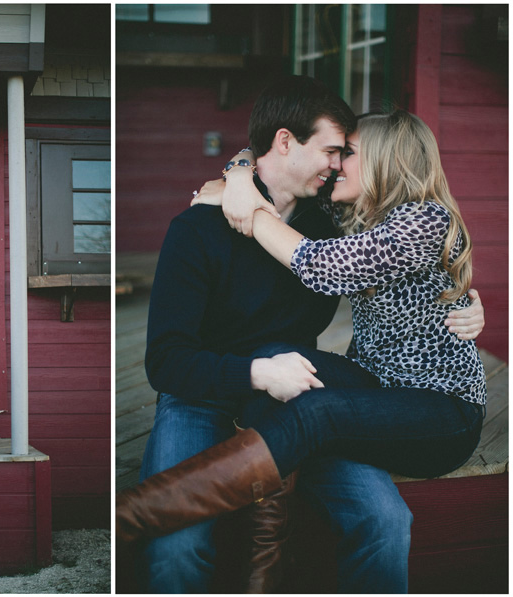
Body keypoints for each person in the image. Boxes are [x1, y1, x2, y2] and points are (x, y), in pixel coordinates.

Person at [126, 76, 484, 594]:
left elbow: (358, 262)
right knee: (177, 547)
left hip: (304, 390)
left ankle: (263, 564)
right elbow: (165, 362)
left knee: (385, 524)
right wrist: (239, 173)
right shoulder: (197, 227)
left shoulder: (331, 223)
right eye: (332, 150)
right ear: (287, 142)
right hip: (204, 394)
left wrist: (470, 303)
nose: (337, 165)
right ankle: (149, 522)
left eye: (346, 153)